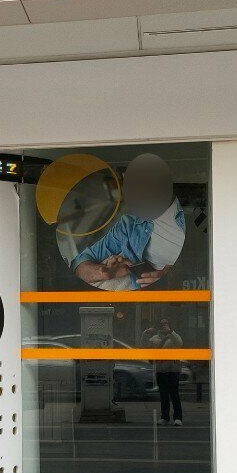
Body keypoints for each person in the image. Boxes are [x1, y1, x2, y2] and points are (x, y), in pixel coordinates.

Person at [72, 153, 185, 290]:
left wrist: (169, 275)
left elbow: (205, 260)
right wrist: (103, 272)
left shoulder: (188, 212)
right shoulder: (128, 225)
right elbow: (79, 262)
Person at [142, 318, 184, 425]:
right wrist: (146, 333)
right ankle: (165, 417)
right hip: (161, 369)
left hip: (173, 369)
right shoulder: (155, 338)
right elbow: (144, 346)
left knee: (174, 394)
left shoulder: (174, 336)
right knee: (163, 395)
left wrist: (170, 332)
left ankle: (178, 418)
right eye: (162, 324)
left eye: (166, 323)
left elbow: (179, 344)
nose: (164, 325)